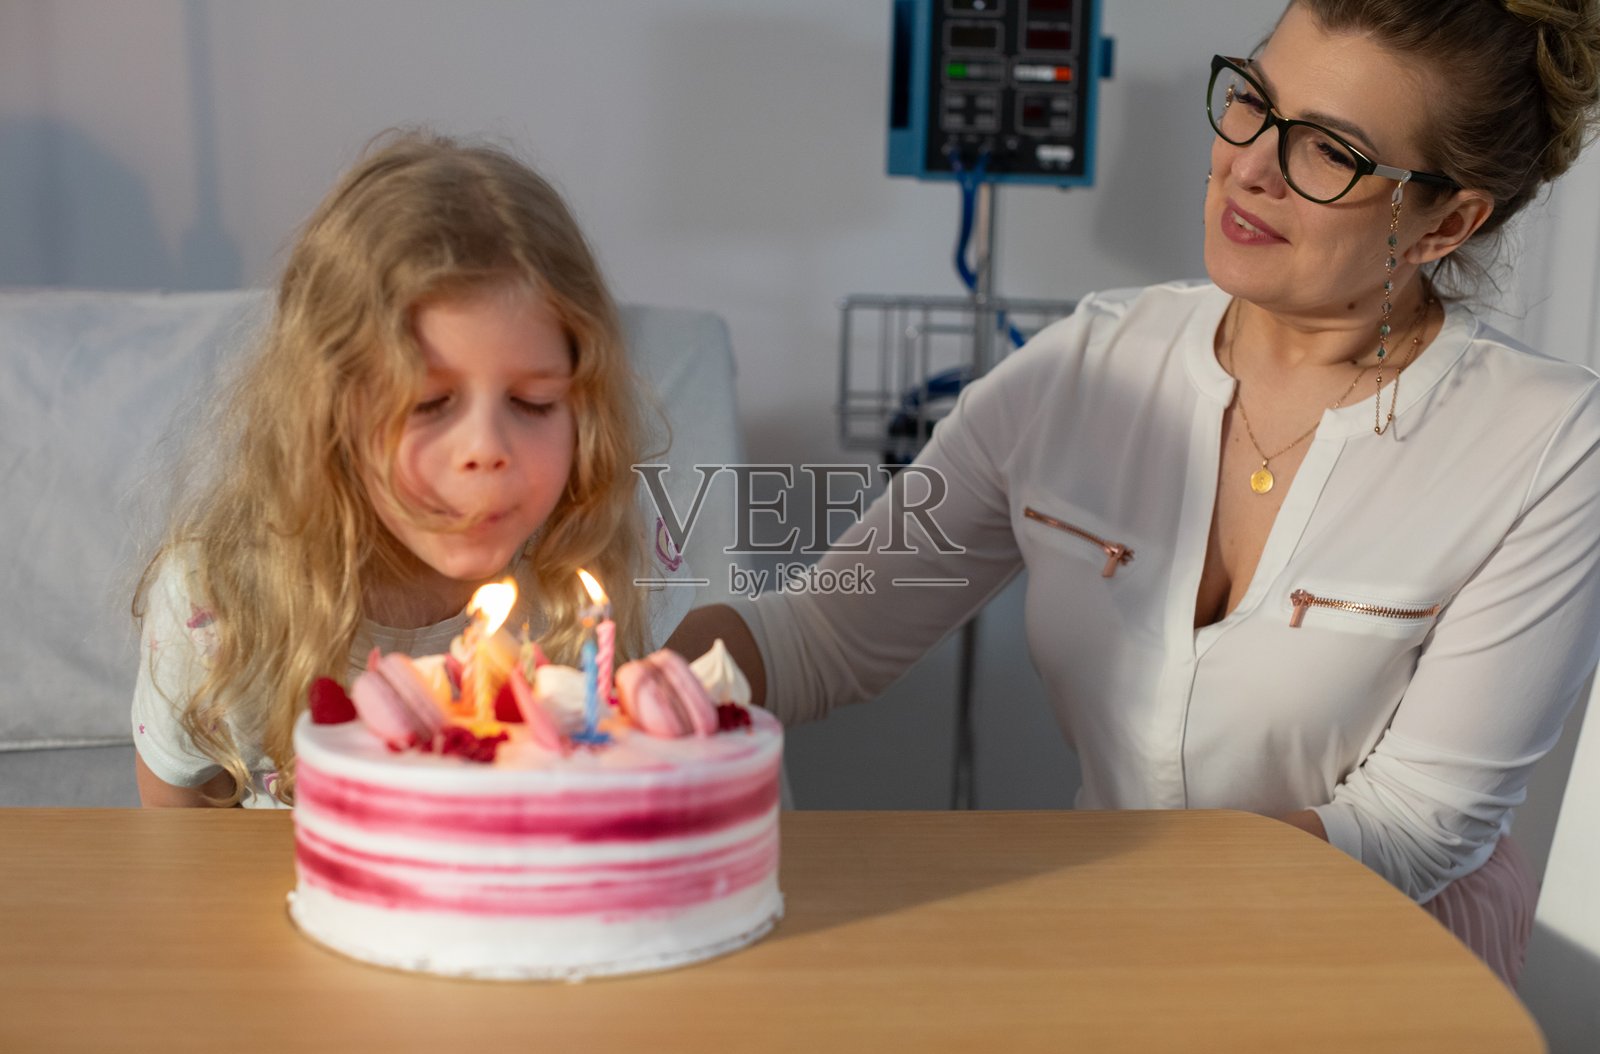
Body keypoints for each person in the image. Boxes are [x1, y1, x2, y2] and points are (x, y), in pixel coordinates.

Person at [669, 0, 1600, 986]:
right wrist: (624, 697)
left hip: (1377, 969)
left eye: (1325, 150)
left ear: (1442, 223)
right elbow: (823, 633)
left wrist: (1105, 907)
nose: (1247, 161)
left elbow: (1415, 823)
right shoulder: (1083, 366)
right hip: (1126, 942)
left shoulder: (1545, 442)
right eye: (1251, 100)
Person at [132, 132, 684, 809]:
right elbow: (173, 838)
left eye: (533, 402)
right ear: (328, 411)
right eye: (428, 402)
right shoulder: (217, 600)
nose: (487, 447)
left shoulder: (574, 579)